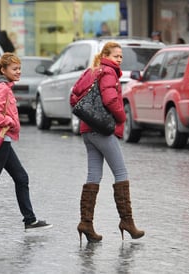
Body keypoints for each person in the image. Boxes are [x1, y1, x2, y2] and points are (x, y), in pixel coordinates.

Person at [0, 53, 52, 236]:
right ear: (3, 70)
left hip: (4, 140)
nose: (18, 72)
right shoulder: (2, 88)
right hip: (1, 141)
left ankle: (30, 220)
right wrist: (11, 122)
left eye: (19, 68)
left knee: (21, 177)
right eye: (15, 69)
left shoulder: (4, 86)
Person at [72, 41, 144, 244]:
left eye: (121, 57)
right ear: (106, 56)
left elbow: (74, 96)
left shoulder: (91, 71)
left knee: (93, 175)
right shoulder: (109, 73)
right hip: (103, 130)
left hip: (88, 131)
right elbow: (111, 100)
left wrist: (89, 116)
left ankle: (86, 223)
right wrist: (121, 118)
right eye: (116, 56)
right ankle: (127, 222)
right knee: (121, 172)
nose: (119, 60)